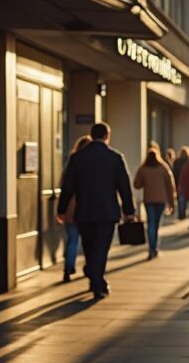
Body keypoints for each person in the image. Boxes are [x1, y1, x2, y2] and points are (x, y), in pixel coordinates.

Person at [56, 122, 136, 299]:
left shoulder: (77, 158)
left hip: (84, 211)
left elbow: (68, 186)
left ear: (91, 136)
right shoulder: (115, 157)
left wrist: (62, 209)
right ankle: (96, 280)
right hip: (107, 212)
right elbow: (124, 186)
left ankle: (94, 276)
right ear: (107, 135)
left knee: (89, 245)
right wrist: (129, 210)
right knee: (101, 247)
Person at [59, 135, 92, 282]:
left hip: (71, 208)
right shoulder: (91, 164)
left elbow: (65, 188)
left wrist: (61, 209)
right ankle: (89, 267)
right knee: (88, 241)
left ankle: (68, 268)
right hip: (88, 208)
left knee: (72, 239)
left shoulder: (71, 163)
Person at [134, 148, 176, 259]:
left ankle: (152, 249)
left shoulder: (143, 168)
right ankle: (155, 248)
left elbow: (136, 184)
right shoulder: (163, 167)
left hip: (149, 200)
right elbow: (170, 186)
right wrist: (172, 203)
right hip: (161, 200)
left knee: (151, 223)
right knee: (156, 224)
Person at [172, 147, 189, 219]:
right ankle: (183, 212)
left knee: (180, 199)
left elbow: (174, 173)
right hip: (186, 183)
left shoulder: (177, 161)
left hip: (178, 183)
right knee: (184, 199)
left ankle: (181, 213)